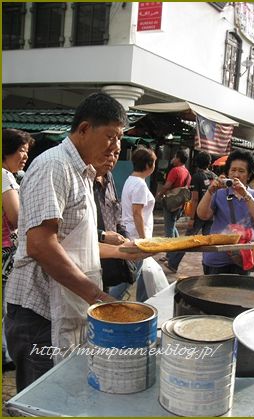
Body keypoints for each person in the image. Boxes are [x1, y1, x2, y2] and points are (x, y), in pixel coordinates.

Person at [4, 92, 149, 392]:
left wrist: (126, 251)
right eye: (111, 136)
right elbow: (41, 245)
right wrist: (98, 297)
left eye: (120, 138)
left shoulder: (83, 172)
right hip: (38, 313)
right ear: (84, 129)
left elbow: (77, 242)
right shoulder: (54, 166)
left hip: (64, 306)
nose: (117, 147)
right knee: (43, 401)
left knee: (66, 394)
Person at [197, 149, 254, 275]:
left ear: (249, 174)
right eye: (233, 170)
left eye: (241, 171)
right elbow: (203, 215)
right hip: (216, 258)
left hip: (242, 258)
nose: (236, 175)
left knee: (239, 294)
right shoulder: (219, 193)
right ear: (227, 172)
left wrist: (245, 193)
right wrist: (210, 191)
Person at [2, 129, 34, 372]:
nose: (24, 156)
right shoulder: (4, 176)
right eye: (21, 151)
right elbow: (15, 217)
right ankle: (6, 355)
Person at [93, 141, 135, 299]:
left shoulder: (109, 178)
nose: (111, 158)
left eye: (116, 154)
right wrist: (102, 235)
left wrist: (126, 237)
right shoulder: (84, 180)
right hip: (90, 256)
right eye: (107, 153)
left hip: (110, 260)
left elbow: (117, 215)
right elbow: (73, 229)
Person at [164, 151, 217, 273]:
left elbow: (195, 199)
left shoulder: (197, 177)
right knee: (209, 243)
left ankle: (172, 263)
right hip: (211, 214)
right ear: (209, 163)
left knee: (187, 241)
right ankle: (210, 268)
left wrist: (192, 218)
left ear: (197, 163)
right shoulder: (214, 176)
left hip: (199, 215)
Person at [121, 147, 157, 302]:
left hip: (131, 232)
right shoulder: (140, 185)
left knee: (142, 272)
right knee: (132, 274)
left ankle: (144, 302)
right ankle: (108, 301)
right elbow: (137, 213)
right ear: (149, 165)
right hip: (136, 235)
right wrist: (144, 240)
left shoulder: (131, 180)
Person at [157, 149, 191, 262]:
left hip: (171, 202)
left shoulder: (175, 170)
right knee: (172, 225)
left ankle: (169, 255)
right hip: (180, 203)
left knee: (169, 228)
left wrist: (160, 194)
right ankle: (177, 247)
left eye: (175, 156)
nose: (173, 159)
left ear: (179, 159)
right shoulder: (187, 172)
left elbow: (167, 185)